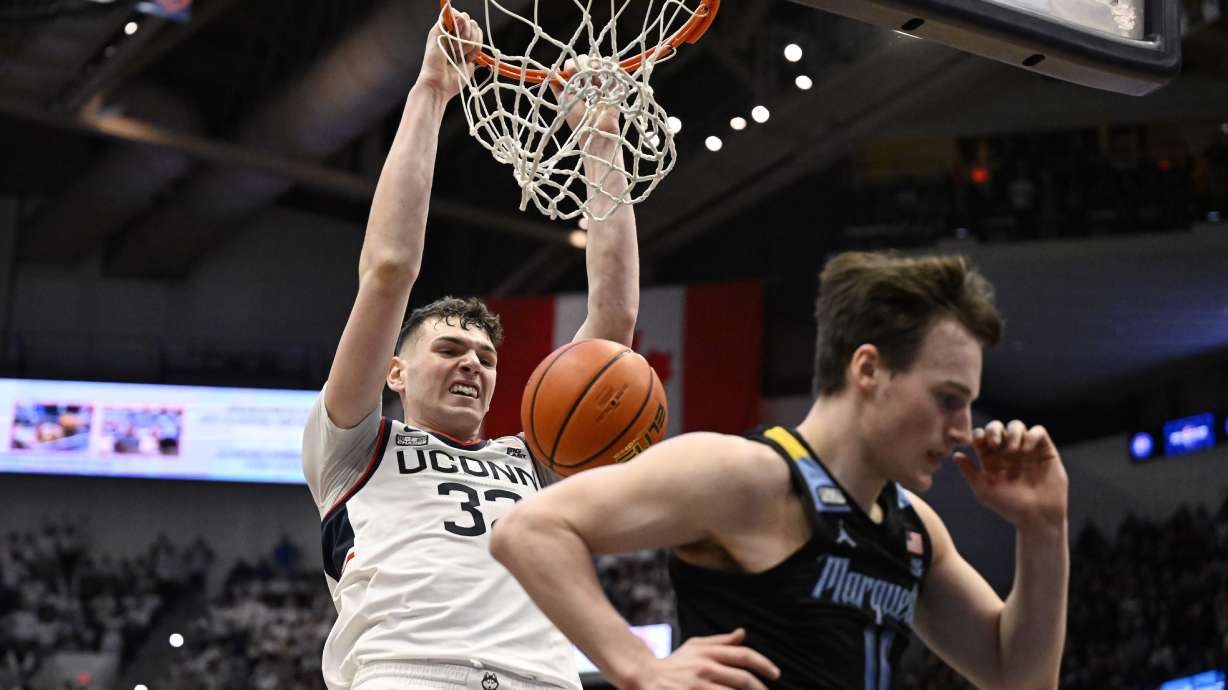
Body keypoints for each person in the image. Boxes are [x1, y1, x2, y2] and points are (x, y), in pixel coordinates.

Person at [492, 252, 1070, 690]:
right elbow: (529, 529)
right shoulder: (747, 475)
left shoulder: (914, 528)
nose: (964, 428)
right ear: (868, 369)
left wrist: (1044, 526)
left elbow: (1017, 678)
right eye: (947, 399)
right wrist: (636, 664)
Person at [302, 12, 645, 690]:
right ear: (394, 372)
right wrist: (431, 90)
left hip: (542, 679)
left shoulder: (531, 458)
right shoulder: (353, 448)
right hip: (409, 672)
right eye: (451, 348)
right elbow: (390, 270)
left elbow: (613, 319)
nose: (473, 365)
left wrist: (600, 143)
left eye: (486, 358)